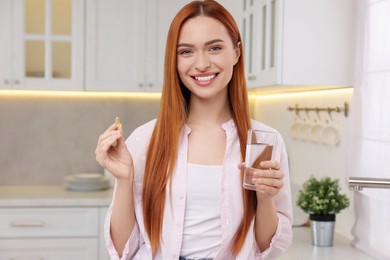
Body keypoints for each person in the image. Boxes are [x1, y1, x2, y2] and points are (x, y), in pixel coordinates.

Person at [95, 0, 292, 259]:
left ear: (236, 52)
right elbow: (124, 249)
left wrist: (266, 199)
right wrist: (124, 179)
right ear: (174, 60)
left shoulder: (263, 142)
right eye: (186, 52)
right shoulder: (145, 140)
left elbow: (268, 249)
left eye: (215, 48)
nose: (201, 64)